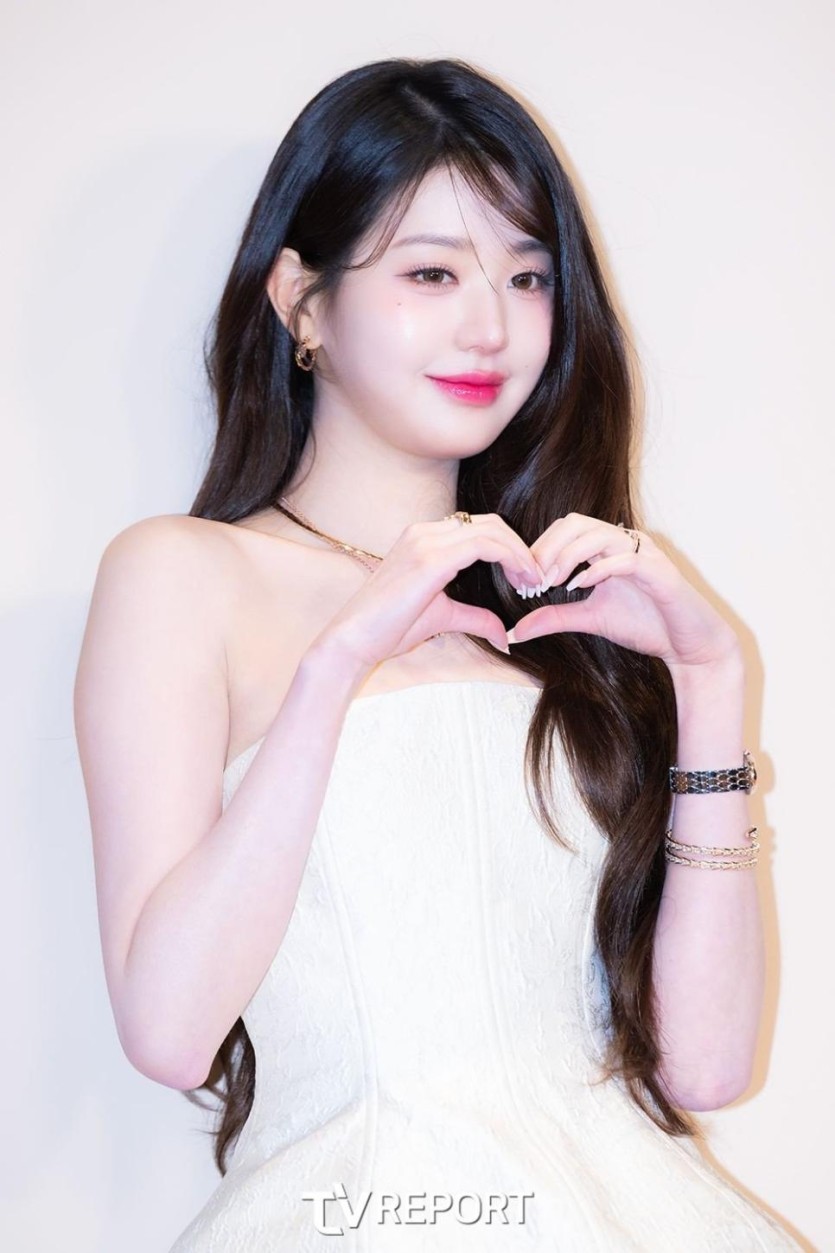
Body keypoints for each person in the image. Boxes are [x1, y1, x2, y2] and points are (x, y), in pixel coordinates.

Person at [74, 57, 803, 1251]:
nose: (491, 325)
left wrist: (711, 685)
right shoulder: (182, 574)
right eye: (430, 272)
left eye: (528, 275)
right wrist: (339, 662)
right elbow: (168, 1029)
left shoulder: (573, 618)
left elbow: (706, 1065)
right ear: (301, 302)